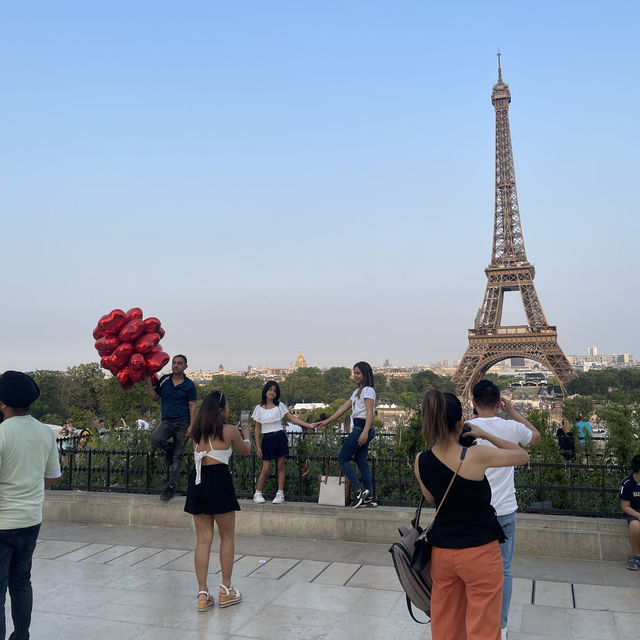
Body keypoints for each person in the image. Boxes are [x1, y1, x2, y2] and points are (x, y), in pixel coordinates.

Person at [415, 389, 529, 640]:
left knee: (446, 624)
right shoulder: (476, 454)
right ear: (461, 422)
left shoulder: (420, 460)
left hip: (442, 552)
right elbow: (523, 455)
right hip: (479, 552)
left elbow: (433, 499)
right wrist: (484, 434)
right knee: (484, 625)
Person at [468, 379, 540, 640]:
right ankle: (501, 625)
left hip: (476, 512)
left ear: (473, 402)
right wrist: (512, 411)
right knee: (504, 570)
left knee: (473, 569)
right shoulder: (510, 427)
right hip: (505, 510)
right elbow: (536, 437)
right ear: (499, 402)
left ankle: (476, 622)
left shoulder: (467, 428)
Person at [0, 371, 61, 640]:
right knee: (21, 582)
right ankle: (22, 635)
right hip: (30, 519)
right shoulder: (43, 432)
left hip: (2, 522)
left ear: (3, 402)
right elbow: (53, 477)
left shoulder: (1, 434)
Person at [184, 391, 251, 611]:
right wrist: (248, 434)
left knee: (203, 539)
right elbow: (246, 450)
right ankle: (226, 589)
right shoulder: (230, 430)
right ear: (221, 410)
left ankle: (203, 593)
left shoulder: (196, 432)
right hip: (219, 481)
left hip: (198, 481)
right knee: (227, 536)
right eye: (227, 407)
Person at [317, 361, 376, 508]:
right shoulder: (357, 392)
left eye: (358, 373)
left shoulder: (368, 390)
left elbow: (370, 412)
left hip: (361, 428)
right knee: (361, 461)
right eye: (354, 372)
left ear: (365, 374)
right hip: (360, 427)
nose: (355, 375)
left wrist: (365, 432)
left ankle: (359, 491)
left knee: (343, 458)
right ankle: (370, 497)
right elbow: (343, 408)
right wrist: (327, 421)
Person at [145, 354, 197, 501]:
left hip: (183, 423)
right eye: (174, 363)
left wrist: (192, 426)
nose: (176, 365)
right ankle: (169, 449)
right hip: (167, 422)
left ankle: (170, 487)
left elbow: (193, 406)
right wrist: (149, 384)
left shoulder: (189, 385)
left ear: (185, 366)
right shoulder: (165, 380)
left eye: (179, 363)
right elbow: (155, 398)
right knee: (155, 439)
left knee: (177, 457)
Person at [252, 381, 314, 504]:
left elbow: (292, 418)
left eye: (274, 391)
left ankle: (280, 493)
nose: (272, 393)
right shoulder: (259, 408)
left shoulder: (280, 406)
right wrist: (258, 446)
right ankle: (258, 492)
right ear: (265, 391)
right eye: (270, 390)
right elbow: (257, 429)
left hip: (279, 436)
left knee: (281, 466)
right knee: (266, 468)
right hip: (267, 439)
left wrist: (308, 425)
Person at [620, 454, 640, 571]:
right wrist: (638, 515)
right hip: (633, 512)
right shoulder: (627, 483)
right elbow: (625, 506)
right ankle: (636, 557)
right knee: (635, 525)